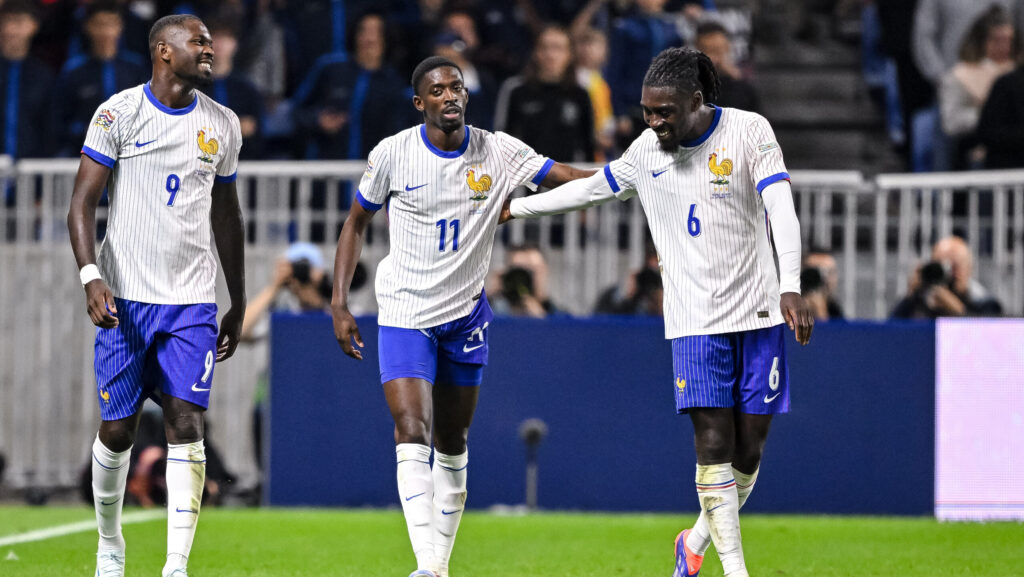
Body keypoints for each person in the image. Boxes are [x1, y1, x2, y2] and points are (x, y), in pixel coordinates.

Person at [502, 47, 813, 577]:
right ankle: (733, 572)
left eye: (665, 112)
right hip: (694, 322)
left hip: (760, 313)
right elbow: (593, 189)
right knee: (712, 443)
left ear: (697, 100)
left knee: (749, 452)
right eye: (647, 111)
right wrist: (518, 206)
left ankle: (692, 544)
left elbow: (779, 205)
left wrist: (791, 286)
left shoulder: (749, 131)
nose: (654, 122)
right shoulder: (647, 150)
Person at [329, 55, 593, 577]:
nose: (450, 95)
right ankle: (426, 564)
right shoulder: (393, 155)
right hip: (406, 311)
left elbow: (564, 177)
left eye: (457, 87)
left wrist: (627, 181)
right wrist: (339, 302)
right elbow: (356, 221)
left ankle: (439, 566)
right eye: (438, 89)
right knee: (412, 427)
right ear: (419, 102)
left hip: (465, 317)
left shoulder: (498, 151)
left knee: (452, 442)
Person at [66, 14, 245, 577]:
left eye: (210, 42)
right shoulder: (117, 113)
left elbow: (227, 215)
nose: (209, 50)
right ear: (164, 52)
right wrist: (89, 275)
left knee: (186, 423)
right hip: (124, 300)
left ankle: (175, 565)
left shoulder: (223, 124)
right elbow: (80, 205)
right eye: (198, 42)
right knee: (116, 432)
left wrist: (235, 298)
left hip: (191, 302)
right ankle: (109, 542)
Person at [52, 1, 148, 157]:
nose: (106, 32)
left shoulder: (136, 68)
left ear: (120, 27)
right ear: (87, 27)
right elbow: (60, 121)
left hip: (131, 158)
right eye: (99, 25)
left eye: (111, 24)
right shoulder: (73, 72)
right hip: (82, 157)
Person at [494, 25, 595, 164]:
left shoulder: (580, 94)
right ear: (535, 52)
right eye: (544, 47)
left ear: (570, 55)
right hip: (527, 178)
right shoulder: (515, 90)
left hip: (568, 179)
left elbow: (588, 145)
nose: (550, 55)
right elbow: (502, 138)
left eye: (558, 48)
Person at [938, 6, 1018, 170]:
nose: (1005, 47)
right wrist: (990, 117)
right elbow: (951, 122)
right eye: (997, 40)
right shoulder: (959, 75)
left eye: (1009, 40)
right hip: (976, 149)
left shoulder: (1017, 73)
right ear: (981, 40)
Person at [891, 235, 1003, 318]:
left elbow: (988, 337)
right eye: (940, 266)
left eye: (953, 267)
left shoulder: (985, 302)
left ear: (969, 269)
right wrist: (911, 296)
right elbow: (891, 332)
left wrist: (959, 311)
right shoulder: (923, 299)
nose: (948, 274)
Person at [0, 0, 55, 160]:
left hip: (32, 171)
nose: (9, 30)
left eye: (17, 22)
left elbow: (50, 128)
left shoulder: (43, 75)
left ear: (33, 26)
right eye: (5, 22)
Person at [695, 21, 760, 113]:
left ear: (727, 48)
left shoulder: (744, 88)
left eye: (717, 51)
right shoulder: (689, 88)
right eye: (707, 51)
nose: (713, 58)